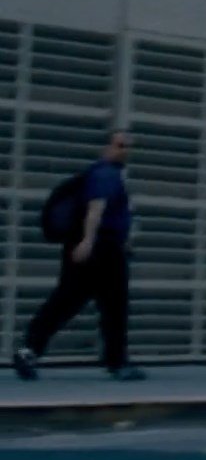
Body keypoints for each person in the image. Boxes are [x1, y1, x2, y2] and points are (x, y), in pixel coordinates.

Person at [14, 130, 146, 382]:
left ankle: (29, 350)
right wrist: (88, 241)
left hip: (98, 246)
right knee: (114, 305)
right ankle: (117, 362)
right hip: (101, 249)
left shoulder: (104, 174)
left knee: (66, 300)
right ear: (106, 148)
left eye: (129, 146)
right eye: (119, 145)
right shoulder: (106, 173)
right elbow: (96, 208)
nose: (125, 150)